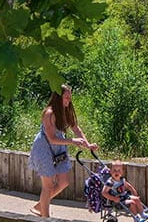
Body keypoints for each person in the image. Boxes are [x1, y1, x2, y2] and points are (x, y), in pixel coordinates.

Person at [29, 84, 98, 218]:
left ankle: (40, 205)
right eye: (66, 97)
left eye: (70, 97)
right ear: (58, 97)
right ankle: (45, 217)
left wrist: (88, 144)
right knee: (48, 186)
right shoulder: (49, 113)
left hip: (59, 148)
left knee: (64, 182)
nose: (69, 100)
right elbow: (52, 138)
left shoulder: (66, 110)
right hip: (44, 148)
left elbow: (76, 128)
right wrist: (73, 141)